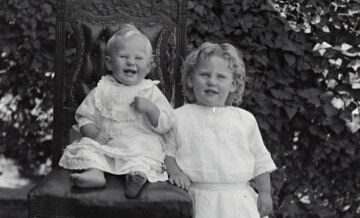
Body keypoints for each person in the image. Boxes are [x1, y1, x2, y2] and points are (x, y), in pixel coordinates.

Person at [59, 24, 175, 198]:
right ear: (109, 62)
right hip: (106, 143)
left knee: (148, 152)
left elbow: (167, 124)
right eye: (123, 56)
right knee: (87, 146)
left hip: (139, 144)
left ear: (149, 65)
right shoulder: (102, 88)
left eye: (138, 58)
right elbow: (84, 117)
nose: (131, 62)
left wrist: (151, 109)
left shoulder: (150, 91)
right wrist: (94, 133)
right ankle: (95, 173)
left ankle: (135, 177)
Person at [165, 42, 277, 218]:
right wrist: (176, 172)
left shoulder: (245, 119)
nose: (212, 81)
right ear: (190, 80)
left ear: (233, 84)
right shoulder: (178, 117)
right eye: (204, 74)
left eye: (221, 77)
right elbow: (168, 152)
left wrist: (264, 193)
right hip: (196, 198)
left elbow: (260, 160)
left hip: (238, 200)